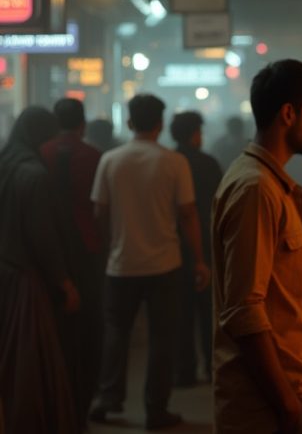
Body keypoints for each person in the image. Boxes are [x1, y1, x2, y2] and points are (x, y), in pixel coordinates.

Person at [212, 59, 302, 434]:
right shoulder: (256, 190)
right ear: (288, 114)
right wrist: (287, 402)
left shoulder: (267, 184)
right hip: (269, 405)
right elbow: (245, 310)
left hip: (288, 391)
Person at [89, 94, 210, 430]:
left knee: (116, 332)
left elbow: (99, 211)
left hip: (121, 264)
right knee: (162, 337)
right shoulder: (174, 162)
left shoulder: (110, 161)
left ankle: (108, 397)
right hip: (165, 265)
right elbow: (188, 215)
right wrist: (199, 261)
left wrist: (112, 241)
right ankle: (156, 409)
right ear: (160, 124)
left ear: (129, 123)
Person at [0, 106, 80, 434]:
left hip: (5, 270)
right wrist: (64, 282)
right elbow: (43, 237)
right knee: (29, 363)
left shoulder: (6, 163)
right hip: (24, 278)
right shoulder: (34, 174)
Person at [39, 98, 105, 429]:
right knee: (87, 333)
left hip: (50, 253)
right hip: (88, 252)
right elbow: (100, 208)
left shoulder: (42, 153)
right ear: (83, 124)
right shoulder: (93, 156)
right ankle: (79, 405)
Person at [169, 112, 224, 387]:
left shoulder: (167, 163)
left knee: (180, 313)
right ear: (194, 134)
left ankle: (185, 370)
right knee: (207, 312)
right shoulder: (207, 163)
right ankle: (212, 367)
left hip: (174, 248)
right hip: (205, 243)